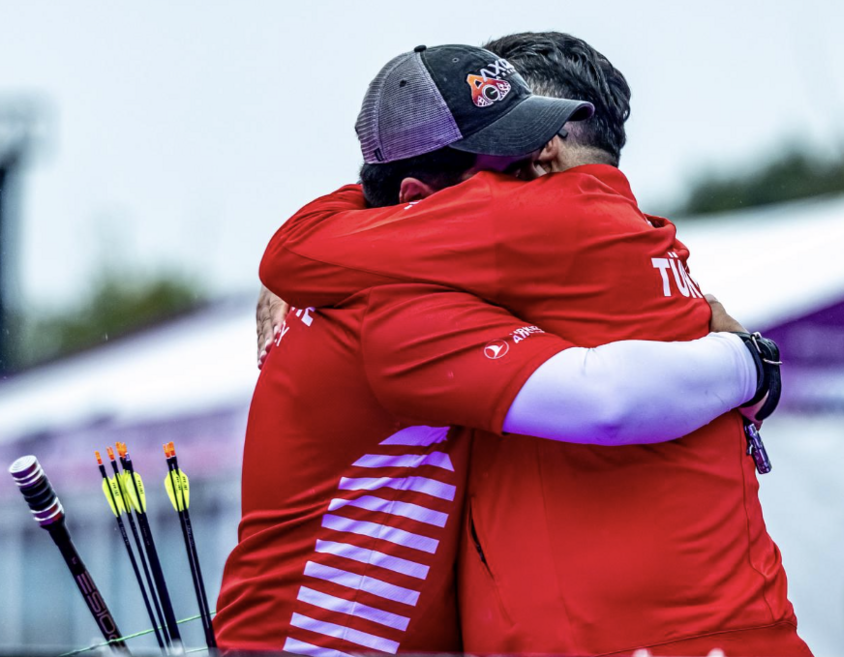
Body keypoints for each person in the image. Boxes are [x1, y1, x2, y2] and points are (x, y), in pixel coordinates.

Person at [258, 33, 811, 656]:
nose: (534, 162)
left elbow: (293, 252)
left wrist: (361, 222)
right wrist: (753, 364)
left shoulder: (518, 226)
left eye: (531, 145)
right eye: (510, 152)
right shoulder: (621, 233)